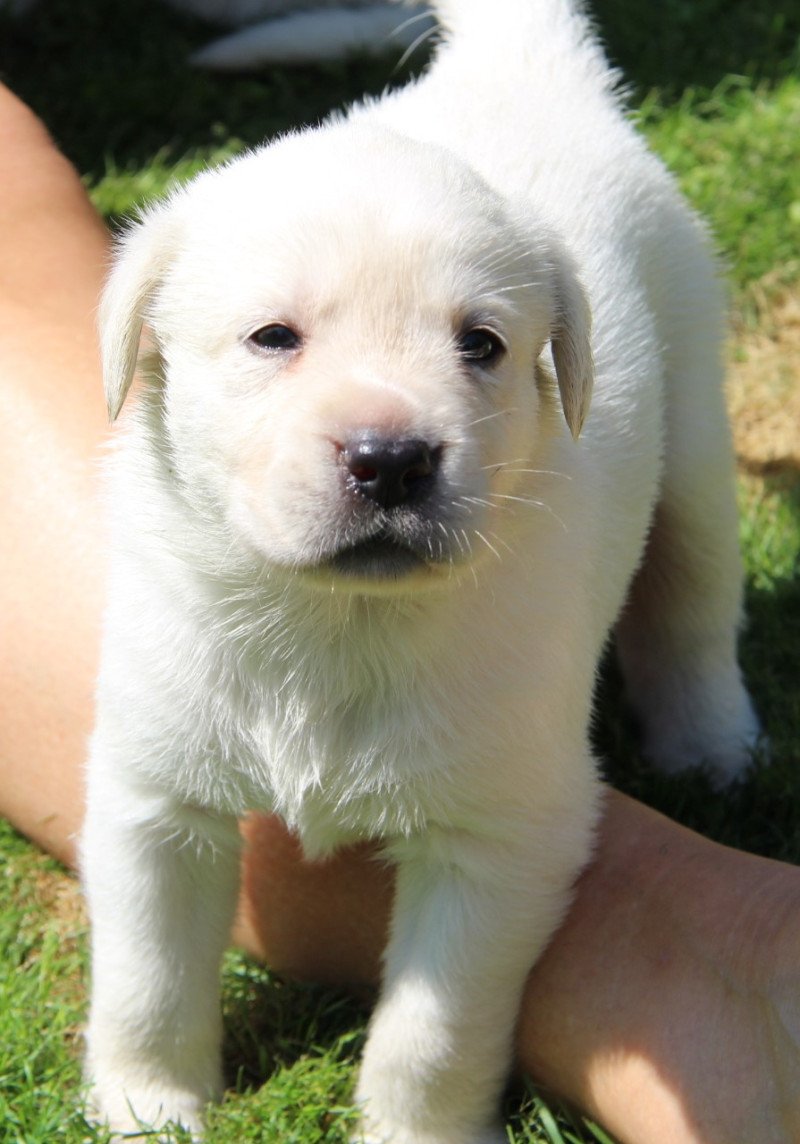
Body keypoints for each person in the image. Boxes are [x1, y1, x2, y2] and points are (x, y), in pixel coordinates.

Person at [1, 82, 798, 1144]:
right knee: (158, 798)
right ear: (139, 341)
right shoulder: (156, 555)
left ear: (559, 363)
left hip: (578, 179)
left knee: (686, 508)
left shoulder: (581, 226)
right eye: (275, 336)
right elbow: (150, 814)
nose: (389, 436)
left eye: (476, 345)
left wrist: (430, 1111)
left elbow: (499, 846)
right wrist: (143, 1070)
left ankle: (697, 694)